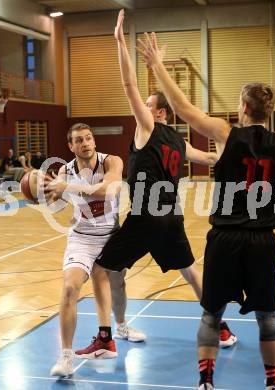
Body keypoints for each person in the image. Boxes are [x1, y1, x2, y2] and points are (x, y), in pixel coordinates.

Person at [75, 9, 236, 361]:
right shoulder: (180, 141)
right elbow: (211, 159)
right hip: (171, 218)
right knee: (191, 271)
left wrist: (120, 43)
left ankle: (106, 337)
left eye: (148, 106)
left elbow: (128, 84)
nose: (141, 110)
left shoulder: (148, 129)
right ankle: (220, 327)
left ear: (159, 112)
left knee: (102, 269)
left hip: (146, 218)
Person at [138, 29, 275, 390]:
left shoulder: (226, 133)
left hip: (225, 238)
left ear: (244, 107)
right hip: (263, 240)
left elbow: (181, 109)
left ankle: (205, 382)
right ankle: (272, 384)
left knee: (210, 313)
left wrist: (158, 65)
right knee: (268, 318)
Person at [46, 122, 146, 378]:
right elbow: (51, 196)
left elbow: (109, 188)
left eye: (88, 138)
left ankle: (121, 326)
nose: (85, 143)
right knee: (70, 288)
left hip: (111, 238)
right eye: (79, 140)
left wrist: (66, 188)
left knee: (118, 285)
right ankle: (66, 357)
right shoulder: (65, 172)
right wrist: (43, 188)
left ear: (94, 141)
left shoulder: (111, 162)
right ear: (71, 146)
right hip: (81, 239)